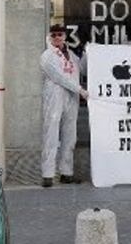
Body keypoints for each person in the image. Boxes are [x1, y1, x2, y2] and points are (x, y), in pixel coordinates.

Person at [40, 24, 87, 187]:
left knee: (70, 134)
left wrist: (88, 53)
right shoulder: (47, 56)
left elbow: (81, 70)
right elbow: (59, 77)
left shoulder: (71, 55)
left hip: (71, 97)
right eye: (54, 35)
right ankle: (47, 174)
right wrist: (80, 90)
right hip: (55, 95)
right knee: (51, 133)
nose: (57, 38)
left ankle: (66, 172)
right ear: (50, 37)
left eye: (60, 34)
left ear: (65, 36)